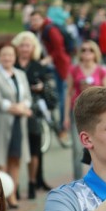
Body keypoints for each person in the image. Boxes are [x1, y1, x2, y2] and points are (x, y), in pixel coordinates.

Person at [0, 43, 33, 209]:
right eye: (4, 55)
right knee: (1, 160)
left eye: (11, 55)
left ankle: (12, 194)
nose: (7, 58)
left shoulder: (20, 74)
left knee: (16, 159)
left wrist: (23, 105)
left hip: (19, 123)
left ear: (15, 57)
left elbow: (27, 96)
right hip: (2, 122)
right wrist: (18, 108)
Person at [12, 31, 56, 199]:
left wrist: (41, 88)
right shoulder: (12, 65)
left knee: (34, 150)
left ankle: (32, 183)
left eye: (28, 46)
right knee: (15, 151)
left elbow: (50, 91)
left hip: (34, 113)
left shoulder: (38, 66)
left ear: (33, 48)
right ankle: (14, 187)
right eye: (22, 45)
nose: (24, 49)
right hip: (15, 112)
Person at [29, 10, 73, 148]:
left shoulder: (50, 29)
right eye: (32, 20)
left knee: (60, 95)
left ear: (43, 19)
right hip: (51, 65)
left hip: (59, 66)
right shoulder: (37, 31)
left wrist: (48, 59)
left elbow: (59, 48)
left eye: (37, 19)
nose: (34, 23)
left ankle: (62, 126)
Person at [63, 40, 106, 133]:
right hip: (77, 110)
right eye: (84, 50)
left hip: (96, 111)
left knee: (93, 144)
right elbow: (68, 94)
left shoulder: (102, 70)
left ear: (96, 53)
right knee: (77, 145)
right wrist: (66, 117)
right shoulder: (73, 69)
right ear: (80, 53)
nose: (87, 52)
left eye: (91, 50)